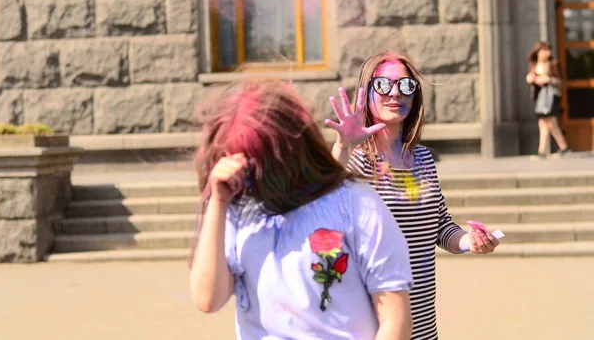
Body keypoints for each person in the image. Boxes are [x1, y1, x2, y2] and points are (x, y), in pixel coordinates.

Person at [188, 78, 414, 340]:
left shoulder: (357, 203)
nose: (252, 178)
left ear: (293, 150)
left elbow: (395, 319)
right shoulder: (237, 208)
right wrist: (217, 203)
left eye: (260, 164)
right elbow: (207, 299)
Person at [326, 51, 500, 340]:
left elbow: (440, 226)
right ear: (366, 92)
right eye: (383, 85)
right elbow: (323, 200)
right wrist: (343, 147)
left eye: (406, 85)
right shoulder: (356, 159)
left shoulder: (422, 158)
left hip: (421, 322)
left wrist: (471, 240)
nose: (395, 93)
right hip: (371, 324)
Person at [526, 41, 572, 158]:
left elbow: (560, 82)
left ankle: (560, 148)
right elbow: (532, 81)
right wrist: (531, 79)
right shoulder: (534, 65)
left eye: (548, 50)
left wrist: (548, 79)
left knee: (550, 123)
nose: (548, 53)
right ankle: (548, 150)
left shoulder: (552, 64)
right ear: (538, 52)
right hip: (541, 98)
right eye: (545, 50)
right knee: (544, 123)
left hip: (550, 97)